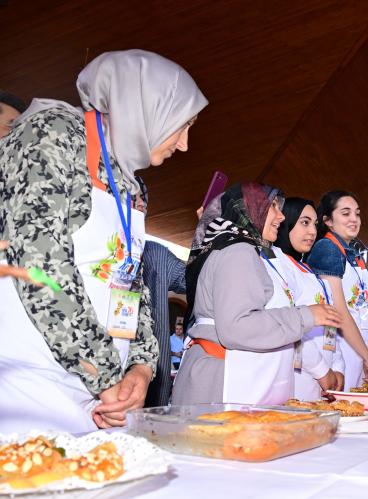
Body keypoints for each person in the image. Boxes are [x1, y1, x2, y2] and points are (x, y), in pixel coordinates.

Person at [0, 50, 207, 433]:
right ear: (145, 106)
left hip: (101, 394)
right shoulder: (52, 132)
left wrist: (141, 367)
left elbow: (129, 282)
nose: (184, 145)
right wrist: (108, 376)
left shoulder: (130, 183)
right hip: (29, 390)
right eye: (183, 125)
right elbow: (38, 267)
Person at [173, 182, 342, 405]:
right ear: (250, 208)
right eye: (273, 206)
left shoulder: (237, 248)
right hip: (222, 383)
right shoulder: (238, 251)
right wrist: (307, 316)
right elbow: (237, 326)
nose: (281, 217)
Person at [307, 191, 368, 390]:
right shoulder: (327, 248)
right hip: (341, 346)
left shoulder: (355, 254)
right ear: (328, 220)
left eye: (357, 213)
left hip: (361, 348)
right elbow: (338, 309)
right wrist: (367, 355)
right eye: (346, 213)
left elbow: (366, 307)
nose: (354, 219)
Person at [275, 197, 344, 400]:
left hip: (326, 378)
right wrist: (323, 371)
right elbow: (292, 324)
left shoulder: (308, 270)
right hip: (300, 377)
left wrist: (338, 367)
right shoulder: (279, 266)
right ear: (286, 223)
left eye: (314, 224)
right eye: (304, 222)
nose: (313, 231)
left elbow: (332, 322)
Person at [133, 176, 188, 408]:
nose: (142, 203)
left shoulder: (155, 253)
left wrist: (205, 239)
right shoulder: (94, 247)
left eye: (143, 198)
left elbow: (192, 280)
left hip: (151, 378)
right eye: (133, 197)